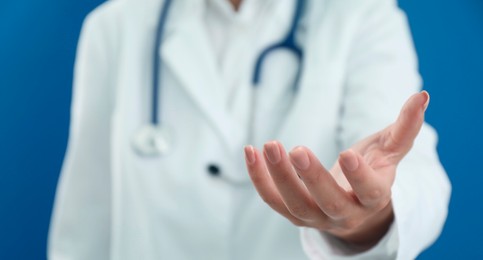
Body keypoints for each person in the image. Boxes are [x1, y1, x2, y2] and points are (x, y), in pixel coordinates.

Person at [48, 0, 451, 259]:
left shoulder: (361, 15)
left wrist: (365, 218)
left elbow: (415, 176)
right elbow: (85, 223)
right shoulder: (115, 26)